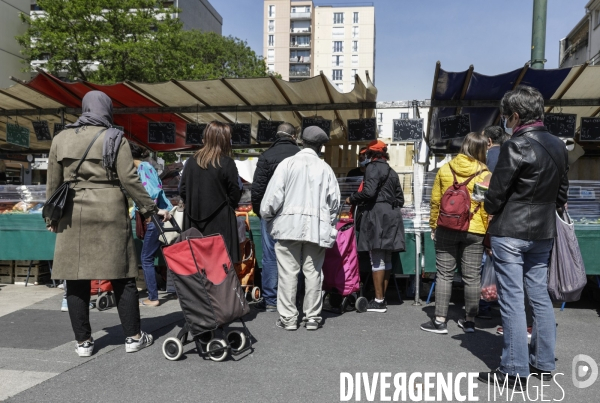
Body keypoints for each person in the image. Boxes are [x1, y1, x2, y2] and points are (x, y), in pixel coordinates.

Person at [46, 91, 171, 357]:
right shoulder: (116, 138)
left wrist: (51, 217)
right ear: (107, 109)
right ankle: (133, 337)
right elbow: (129, 179)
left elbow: (53, 183)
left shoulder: (61, 138)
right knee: (122, 276)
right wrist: (149, 209)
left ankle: (84, 343)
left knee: (75, 279)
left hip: (72, 213)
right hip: (110, 211)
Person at [478, 85, 569, 388]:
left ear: (514, 116)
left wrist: (486, 202)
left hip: (510, 232)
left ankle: (514, 369)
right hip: (543, 231)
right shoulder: (558, 145)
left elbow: (496, 195)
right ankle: (543, 362)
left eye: (506, 117)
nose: (506, 122)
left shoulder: (514, 146)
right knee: (540, 296)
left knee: (513, 298)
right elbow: (562, 194)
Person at [260, 126, 340, 331]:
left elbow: (271, 200)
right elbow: (335, 205)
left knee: (288, 273)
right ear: (320, 146)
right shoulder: (326, 169)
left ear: (301, 141)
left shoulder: (288, 164)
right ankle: (312, 317)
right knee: (313, 273)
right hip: (316, 230)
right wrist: (327, 224)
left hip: (287, 227)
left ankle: (288, 319)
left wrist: (269, 219)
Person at [421, 132, 490, 334]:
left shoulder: (445, 169)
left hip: (446, 226)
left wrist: (434, 225)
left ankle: (440, 320)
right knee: (472, 277)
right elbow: (484, 205)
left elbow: (435, 201)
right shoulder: (485, 173)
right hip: (474, 229)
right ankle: (469, 321)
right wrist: (484, 230)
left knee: (444, 274)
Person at [347, 140, 405, 313]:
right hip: (392, 215)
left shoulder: (373, 168)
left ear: (370, 155)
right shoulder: (392, 172)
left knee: (377, 257)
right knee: (386, 258)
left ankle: (379, 301)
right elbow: (400, 199)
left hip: (377, 216)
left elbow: (369, 192)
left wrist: (352, 198)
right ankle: (381, 298)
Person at [251, 123, 300, 312]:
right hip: (295, 213)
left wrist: (259, 211)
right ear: (293, 135)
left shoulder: (266, 156)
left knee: (270, 256)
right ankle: (294, 297)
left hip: (271, 213)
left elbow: (257, 189)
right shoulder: (301, 156)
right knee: (296, 255)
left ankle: (271, 300)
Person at [179, 121, 241, 264]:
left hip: (193, 221)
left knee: (196, 264)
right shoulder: (226, 162)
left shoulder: (191, 162)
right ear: (223, 139)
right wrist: (226, 207)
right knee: (220, 267)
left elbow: (182, 190)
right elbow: (234, 193)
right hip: (221, 224)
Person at [130, 143, 173, 307]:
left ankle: (153, 298)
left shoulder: (144, 167)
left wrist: (149, 213)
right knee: (151, 256)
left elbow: (151, 192)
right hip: (156, 216)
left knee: (146, 258)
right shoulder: (143, 167)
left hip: (154, 217)